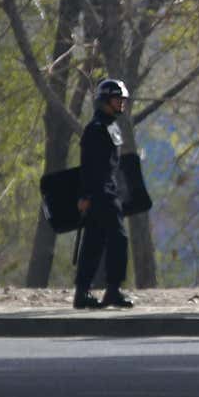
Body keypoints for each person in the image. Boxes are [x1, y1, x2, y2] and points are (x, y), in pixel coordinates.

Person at [72, 78, 135, 310]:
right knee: (119, 239)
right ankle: (113, 289)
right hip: (100, 194)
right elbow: (88, 166)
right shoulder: (95, 129)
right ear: (105, 101)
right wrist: (85, 195)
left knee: (94, 243)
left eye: (122, 100)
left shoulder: (111, 126)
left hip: (109, 191)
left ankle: (82, 293)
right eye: (117, 99)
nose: (122, 104)